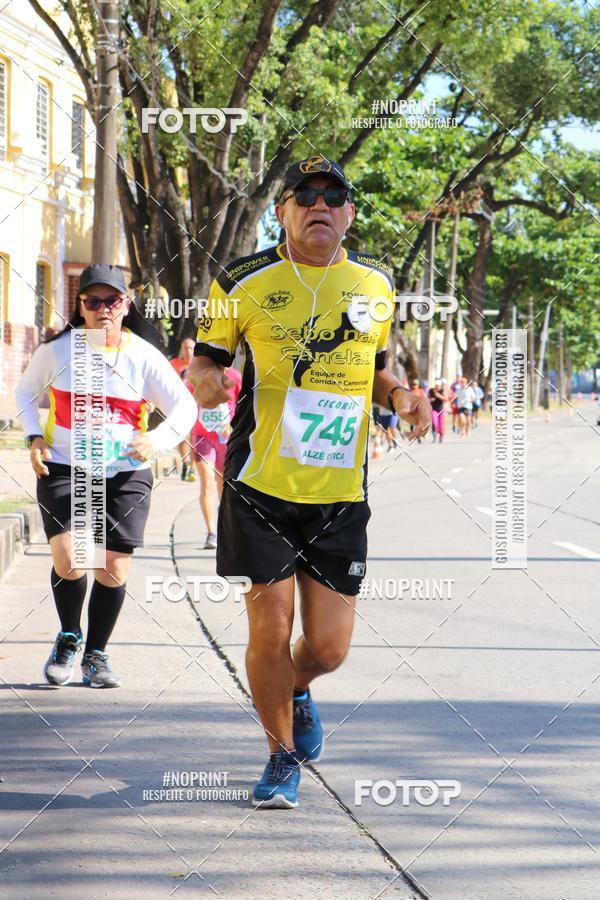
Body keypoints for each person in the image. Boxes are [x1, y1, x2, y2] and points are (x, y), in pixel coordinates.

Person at [188, 155, 431, 809]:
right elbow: (204, 364)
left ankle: (296, 690)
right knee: (269, 628)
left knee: (327, 648)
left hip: (339, 495)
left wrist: (402, 395)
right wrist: (213, 385)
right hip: (259, 484)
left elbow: (375, 367)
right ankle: (280, 754)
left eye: (334, 195)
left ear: (350, 212)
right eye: (305, 195)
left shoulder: (374, 287)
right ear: (283, 210)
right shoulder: (242, 279)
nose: (319, 204)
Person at [15, 264, 197, 688]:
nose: (102, 309)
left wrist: (158, 440)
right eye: (92, 301)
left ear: (125, 305)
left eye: (111, 301)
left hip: (125, 472)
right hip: (65, 464)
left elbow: (185, 408)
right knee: (72, 557)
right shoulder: (58, 351)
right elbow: (25, 390)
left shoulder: (143, 356)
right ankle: (67, 635)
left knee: (111, 567)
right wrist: (33, 437)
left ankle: (95, 653)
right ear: (80, 307)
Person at [191, 365, 242, 549]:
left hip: (226, 437)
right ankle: (211, 532)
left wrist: (234, 426)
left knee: (223, 485)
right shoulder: (198, 374)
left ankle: (225, 524)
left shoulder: (235, 376)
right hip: (203, 435)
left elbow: (242, 404)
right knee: (207, 481)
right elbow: (188, 405)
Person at [170, 337, 197, 481]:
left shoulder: (199, 365)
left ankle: (192, 468)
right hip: (178, 406)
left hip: (196, 406)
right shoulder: (174, 364)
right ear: (182, 349)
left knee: (193, 438)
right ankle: (185, 463)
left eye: (191, 348)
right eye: (186, 348)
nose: (188, 351)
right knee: (181, 438)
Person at [428, 378, 448, 443]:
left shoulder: (442, 391)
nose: (437, 386)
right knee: (435, 422)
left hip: (441, 410)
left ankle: (442, 436)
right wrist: (431, 399)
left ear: (440, 385)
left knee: (441, 424)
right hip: (434, 409)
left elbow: (446, 399)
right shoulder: (431, 390)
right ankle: (436, 435)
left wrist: (438, 396)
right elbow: (428, 397)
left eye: (438, 385)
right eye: (436, 385)